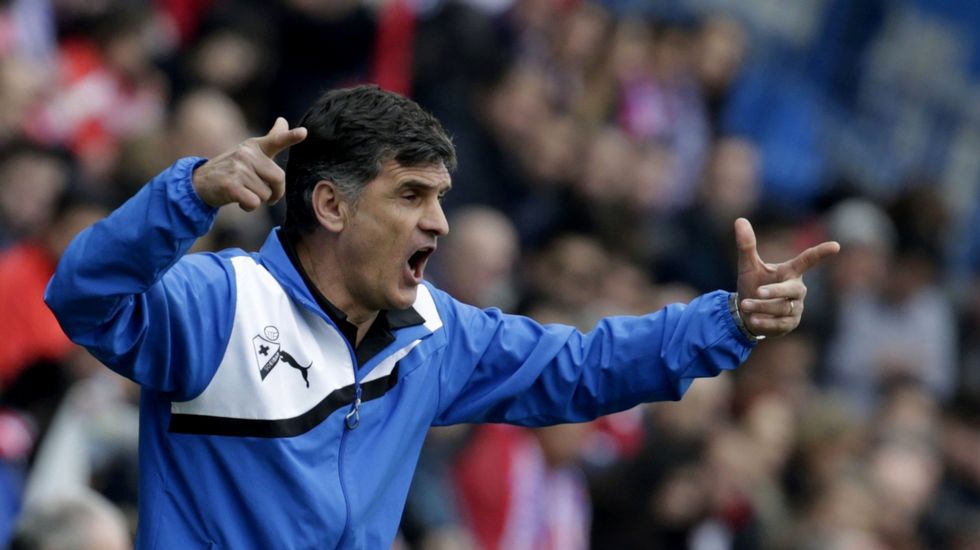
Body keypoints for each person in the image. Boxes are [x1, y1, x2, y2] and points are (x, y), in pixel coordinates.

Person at [45, 85, 838, 549]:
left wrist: (733, 322)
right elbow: (84, 299)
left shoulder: (436, 332)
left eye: (441, 197)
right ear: (331, 206)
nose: (439, 222)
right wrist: (186, 196)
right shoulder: (221, 301)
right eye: (411, 195)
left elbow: (584, 367)